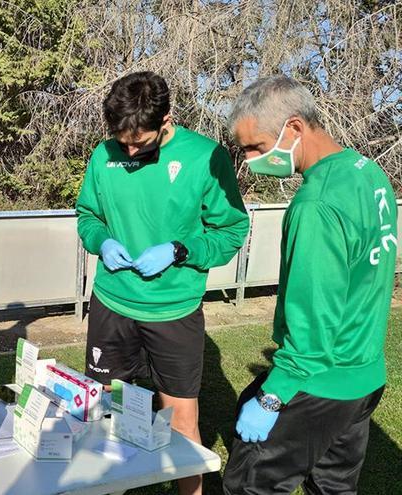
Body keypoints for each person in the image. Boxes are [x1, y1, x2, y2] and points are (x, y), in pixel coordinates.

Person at [76, 71, 249, 495]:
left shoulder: (205, 157)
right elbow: (87, 216)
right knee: (103, 415)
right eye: (123, 141)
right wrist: (102, 240)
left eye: (140, 142)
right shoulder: (104, 155)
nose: (130, 149)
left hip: (174, 311)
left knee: (181, 423)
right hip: (112, 306)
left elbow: (230, 232)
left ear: (167, 119)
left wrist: (179, 250)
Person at [222, 76, 396, 494]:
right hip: (363, 375)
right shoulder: (366, 172)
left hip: (318, 379)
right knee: (333, 487)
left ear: (295, 128)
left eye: (256, 147)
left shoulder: (316, 205)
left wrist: (272, 397)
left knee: (250, 485)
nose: (249, 160)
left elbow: (314, 318)